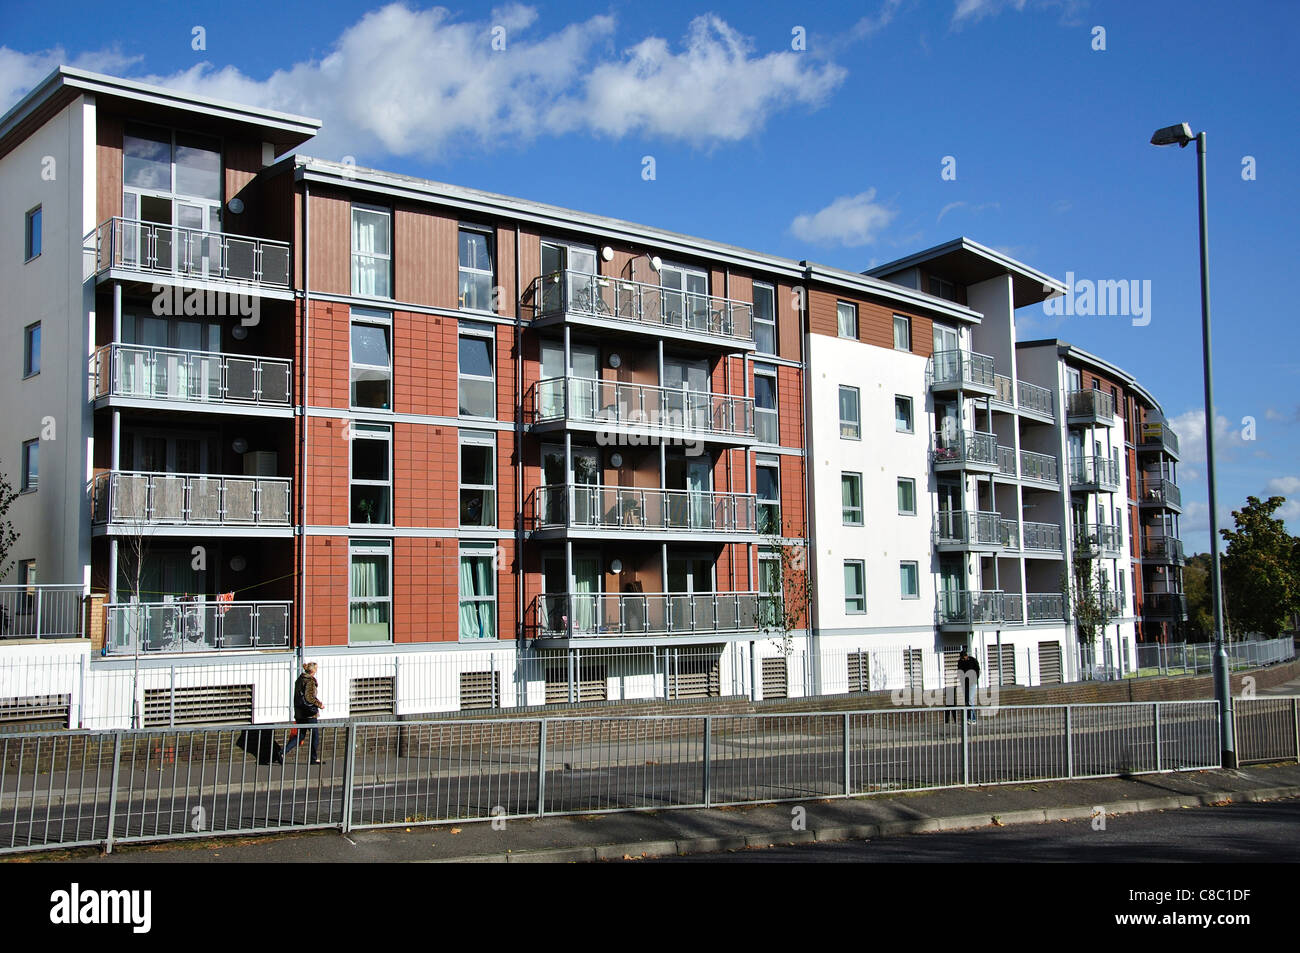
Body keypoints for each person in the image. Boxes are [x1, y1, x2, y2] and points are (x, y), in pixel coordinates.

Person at [282, 662, 324, 764]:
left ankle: (282, 752)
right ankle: (313, 758)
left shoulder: (300, 679)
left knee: (300, 735)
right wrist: (319, 704)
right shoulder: (309, 681)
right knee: (315, 735)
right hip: (309, 713)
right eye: (316, 669)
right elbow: (309, 697)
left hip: (300, 712)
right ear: (313, 670)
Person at [957, 649, 981, 723]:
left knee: (970, 699)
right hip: (965, 683)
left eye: (963, 658)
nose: (962, 659)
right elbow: (959, 671)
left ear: (966, 656)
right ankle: (968, 718)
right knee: (967, 701)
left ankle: (973, 718)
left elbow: (978, 669)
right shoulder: (960, 662)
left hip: (972, 682)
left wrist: (975, 678)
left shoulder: (972, 660)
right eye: (961, 658)